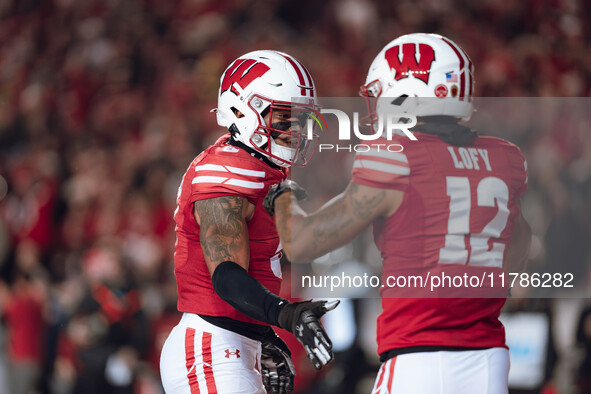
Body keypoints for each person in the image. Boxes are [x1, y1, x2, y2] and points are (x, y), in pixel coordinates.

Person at [264, 33, 532, 394]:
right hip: (488, 357)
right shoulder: (504, 157)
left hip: (420, 356)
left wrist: (281, 193)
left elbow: (301, 242)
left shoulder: (398, 155)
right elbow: (519, 244)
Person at [159, 50, 338, 394]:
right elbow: (226, 275)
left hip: (232, 345)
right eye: (285, 118)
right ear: (242, 110)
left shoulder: (263, 169)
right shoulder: (224, 170)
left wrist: (263, 334)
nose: (295, 130)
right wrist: (284, 315)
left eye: (301, 119)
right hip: (210, 348)